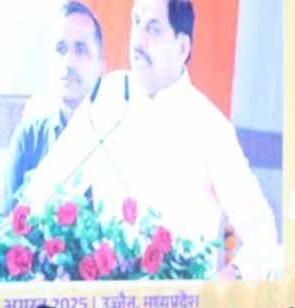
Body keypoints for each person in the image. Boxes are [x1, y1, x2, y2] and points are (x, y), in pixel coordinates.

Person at [23, 0, 280, 280]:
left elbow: (263, 235)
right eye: (136, 23)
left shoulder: (210, 127)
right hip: (107, 298)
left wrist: (230, 278)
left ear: (182, 48)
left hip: (179, 299)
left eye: (153, 29)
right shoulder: (108, 95)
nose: (138, 39)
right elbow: (46, 184)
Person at [2, 1, 104, 209]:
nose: (69, 61)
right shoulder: (29, 138)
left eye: (80, 49)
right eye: (61, 49)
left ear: (101, 68)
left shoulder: (113, 141)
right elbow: (4, 222)